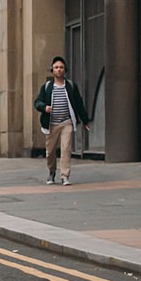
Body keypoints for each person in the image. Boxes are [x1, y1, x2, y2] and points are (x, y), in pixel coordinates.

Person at [33, 56, 88, 185]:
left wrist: (85, 120)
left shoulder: (70, 86)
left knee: (66, 149)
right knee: (50, 151)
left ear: (65, 70)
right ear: (52, 70)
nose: (59, 70)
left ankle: (65, 175)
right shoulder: (47, 87)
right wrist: (44, 107)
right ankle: (52, 171)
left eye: (61, 67)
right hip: (51, 124)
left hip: (66, 123)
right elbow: (37, 102)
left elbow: (79, 104)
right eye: (56, 67)